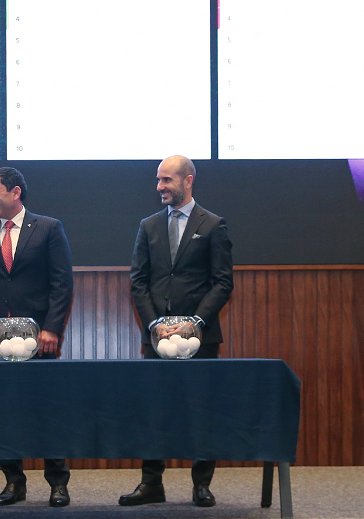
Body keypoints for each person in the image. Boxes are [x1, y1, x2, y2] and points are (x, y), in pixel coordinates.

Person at [120, 156, 233, 508]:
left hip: (201, 337)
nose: (160, 187)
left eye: (167, 180)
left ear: (188, 181)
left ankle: (201, 485)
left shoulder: (213, 225)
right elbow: (138, 281)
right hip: (158, 338)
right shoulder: (148, 226)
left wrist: (195, 321)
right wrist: (155, 324)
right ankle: (151, 483)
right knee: (154, 411)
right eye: (158, 180)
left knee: (202, 410)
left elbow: (222, 282)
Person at [0, 166, 74, 508]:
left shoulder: (49, 228)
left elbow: (62, 283)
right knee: (2, 413)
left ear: (15, 192)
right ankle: (14, 482)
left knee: (47, 411)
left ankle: (58, 483)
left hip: (39, 340)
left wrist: (52, 328)